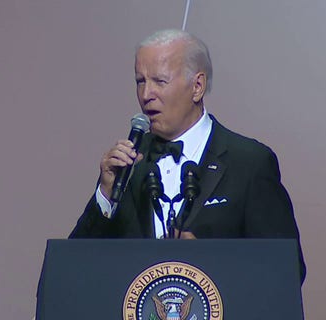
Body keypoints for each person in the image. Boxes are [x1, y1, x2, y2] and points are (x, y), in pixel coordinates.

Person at [68, 29, 306, 283]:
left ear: (197, 86)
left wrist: (209, 262)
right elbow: (74, 269)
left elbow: (286, 271)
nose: (146, 94)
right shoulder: (128, 165)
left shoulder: (249, 163)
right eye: (140, 81)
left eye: (160, 81)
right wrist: (105, 197)